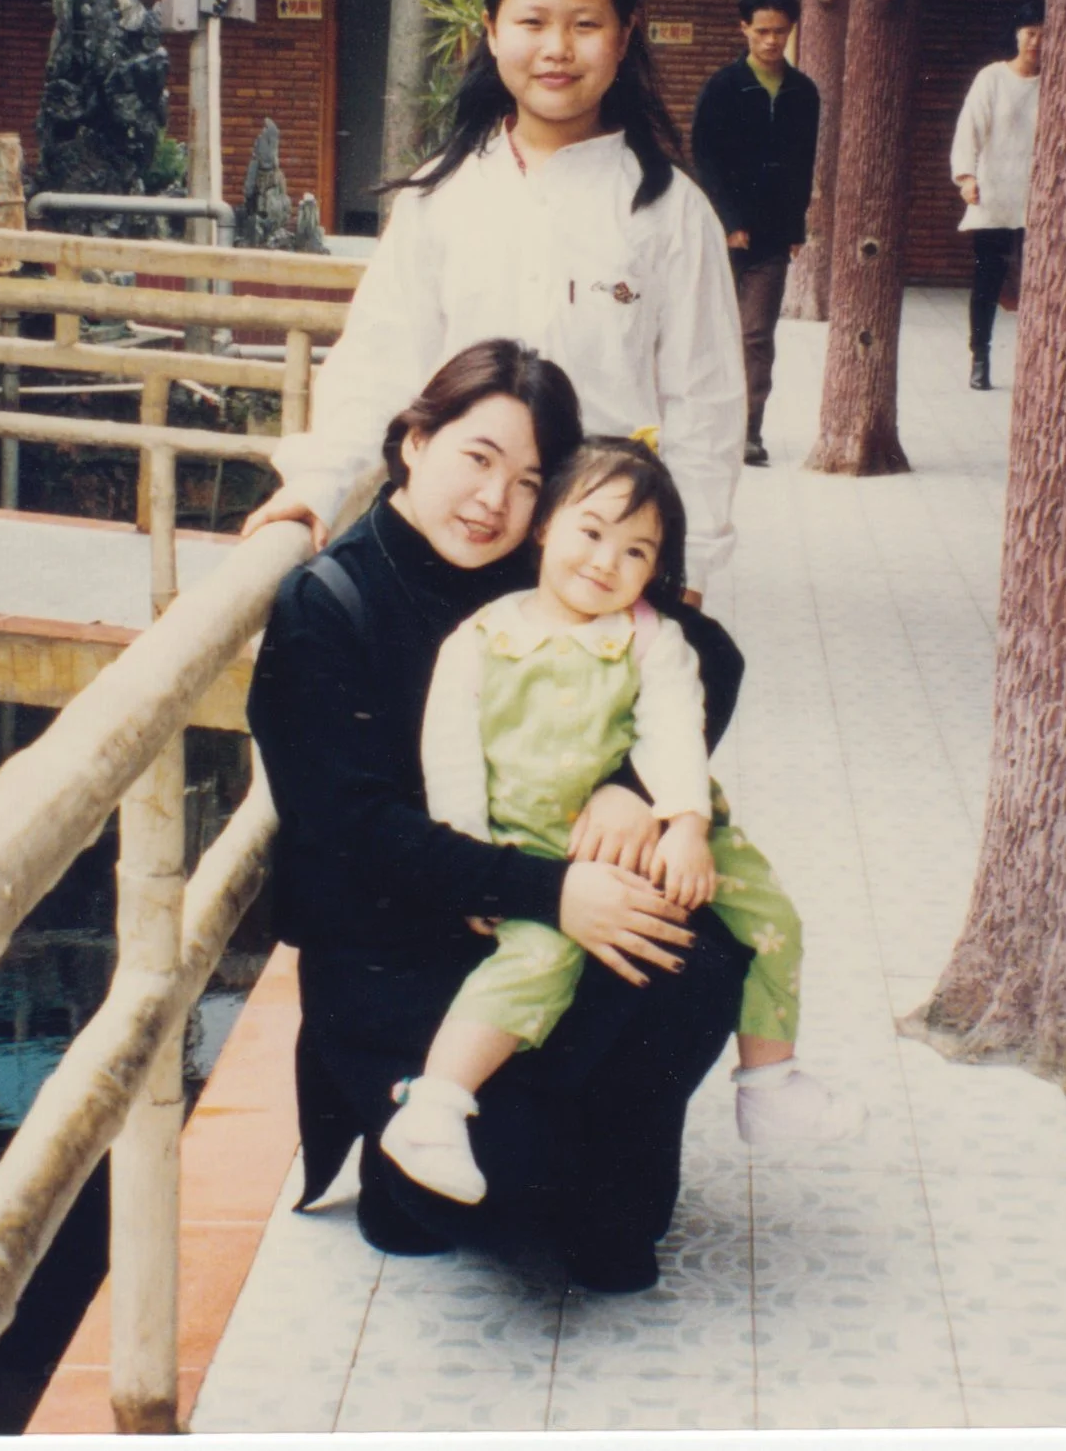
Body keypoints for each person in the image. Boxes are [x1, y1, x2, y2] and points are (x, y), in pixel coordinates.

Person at [246, 340, 755, 1294]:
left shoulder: (539, 565)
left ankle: (604, 1181)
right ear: (414, 442)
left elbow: (709, 655)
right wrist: (555, 892)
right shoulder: (330, 603)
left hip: (532, 919)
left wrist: (634, 788)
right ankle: (429, 1159)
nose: (494, 501)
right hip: (396, 943)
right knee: (492, 1185)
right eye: (476, 459)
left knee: (700, 956)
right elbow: (355, 830)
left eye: (528, 482)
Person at [380, 437, 859, 1206]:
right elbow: (453, 759)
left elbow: (673, 729)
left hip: (658, 826)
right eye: (592, 531)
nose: (607, 562)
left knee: (772, 918)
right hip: (539, 846)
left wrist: (686, 824)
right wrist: (474, 869)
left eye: (636, 551)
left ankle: (768, 1082)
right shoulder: (480, 640)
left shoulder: (649, 637)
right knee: (535, 963)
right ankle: (435, 1108)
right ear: (545, 525)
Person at [246, 0, 745, 606]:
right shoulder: (441, 194)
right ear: (491, 30)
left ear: (625, 34)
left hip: (595, 569)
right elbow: (379, 363)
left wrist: (684, 572)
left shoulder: (670, 212)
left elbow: (706, 407)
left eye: (586, 24)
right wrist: (320, 482)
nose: (557, 49)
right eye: (532, 22)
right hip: (450, 542)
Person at [687, 0, 820, 466]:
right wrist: (729, 219)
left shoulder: (803, 92)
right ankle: (703, 423)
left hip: (771, 237)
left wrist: (795, 228)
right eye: (761, 31)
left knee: (756, 336)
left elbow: (803, 163)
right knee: (709, 332)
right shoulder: (722, 87)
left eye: (779, 31)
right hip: (719, 233)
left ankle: (748, 430)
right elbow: (704, 156)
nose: (770, 40)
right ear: (744, 28)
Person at [949, 0, 1044, 391]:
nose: (1036, 42)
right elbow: (969, 128)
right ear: (1017, 35)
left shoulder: (1056, 82)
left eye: (1044, 35)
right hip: (996, 194)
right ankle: (980, 356)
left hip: (1038, 200)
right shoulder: (992, 78)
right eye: (1030, 33)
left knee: (1038, 285)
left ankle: (1035, 364)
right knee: (988, 280)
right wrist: (966, 177)